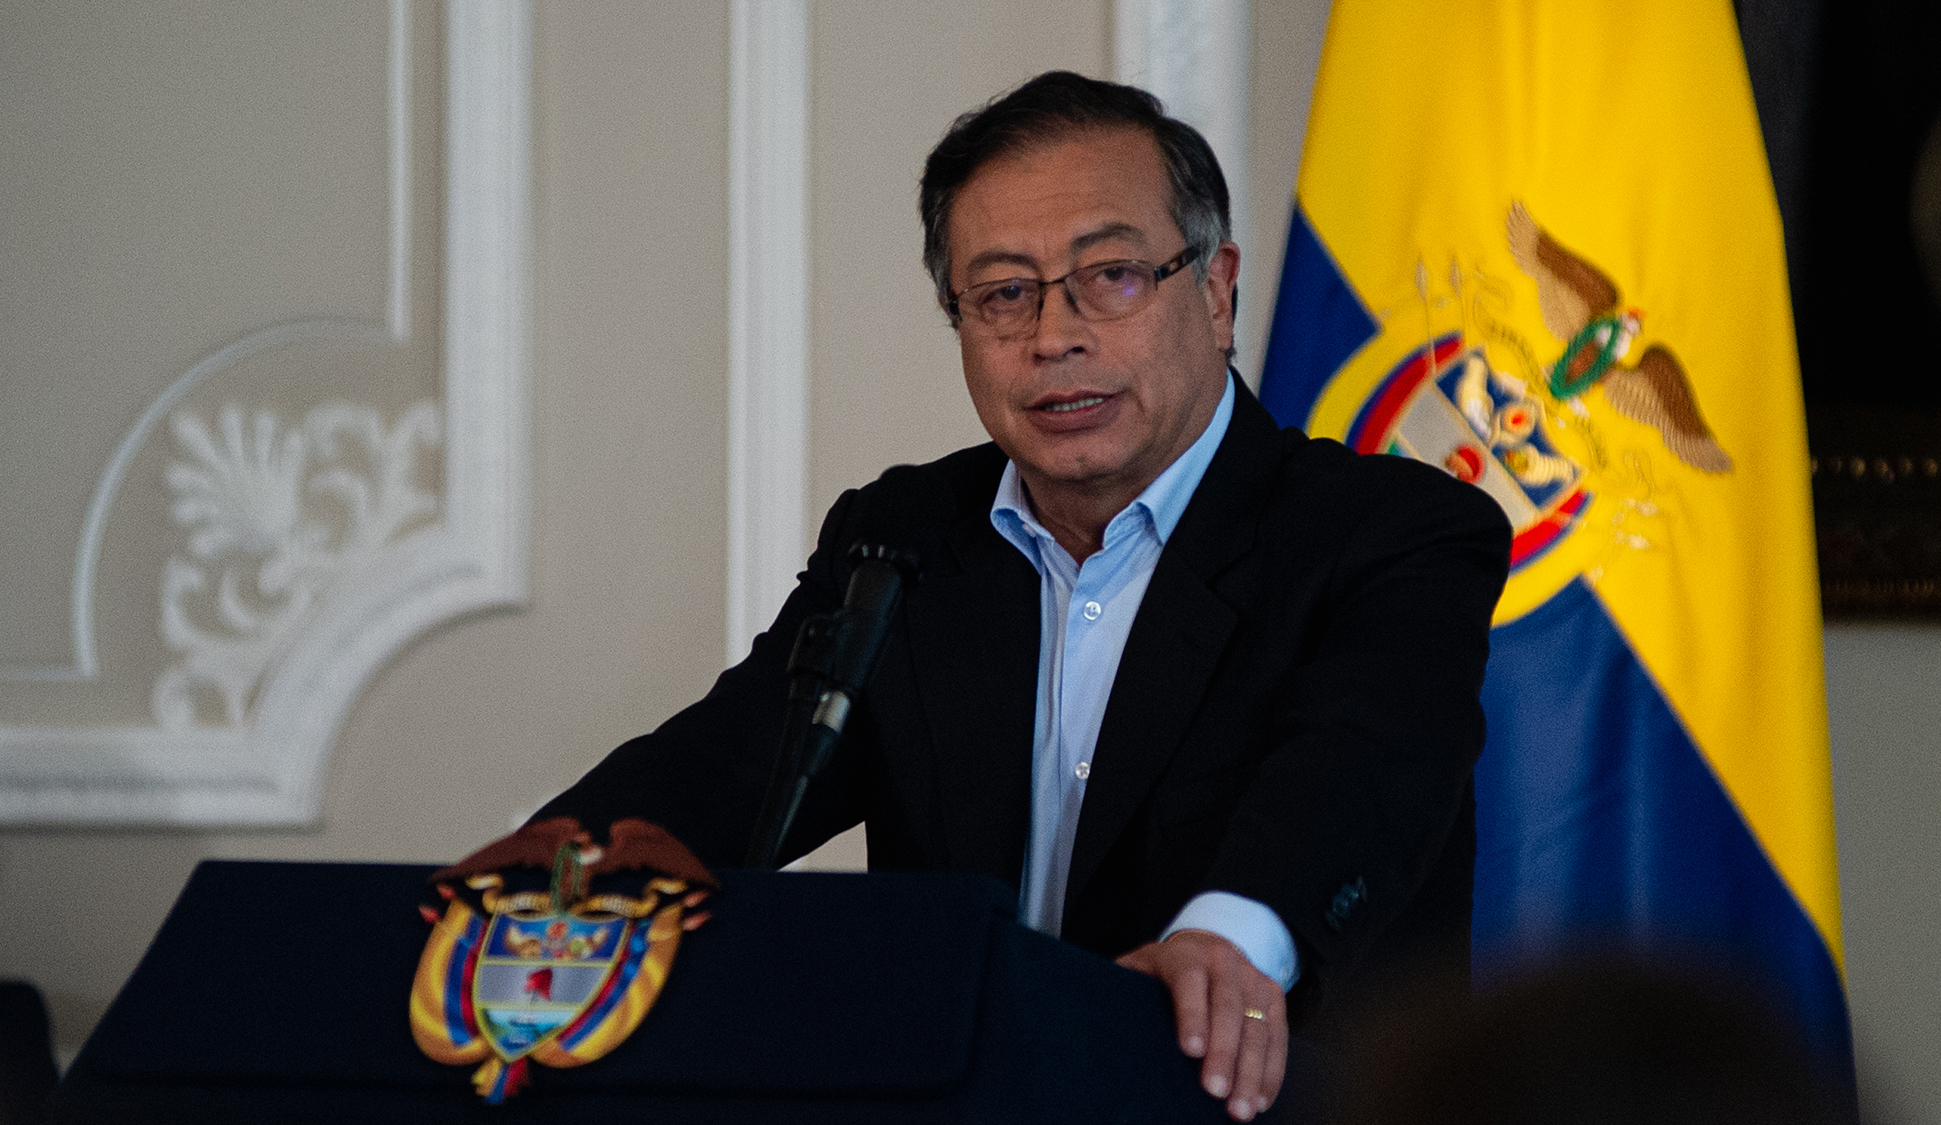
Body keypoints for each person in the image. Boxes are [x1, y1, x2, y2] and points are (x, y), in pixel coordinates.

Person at [534, 71, 1510, 1120]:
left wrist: (1231, 938)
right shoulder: (904, 536)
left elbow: (1362, 765)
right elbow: (729, 765)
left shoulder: (1392, 532)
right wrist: (523, 881)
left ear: (1217, 291)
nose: (1053, 336)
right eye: (1003, 293)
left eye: (1112, 276)